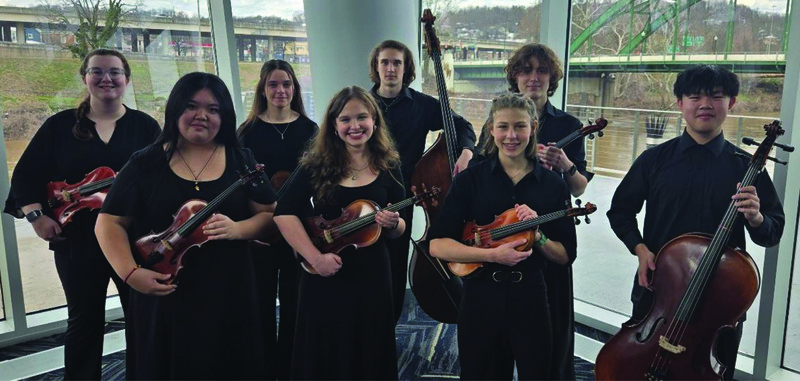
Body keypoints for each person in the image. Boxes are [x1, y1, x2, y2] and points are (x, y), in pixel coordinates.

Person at [606, 64, 785, 380]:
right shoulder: (653, 160)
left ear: (731, 103)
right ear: (680, 104)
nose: (705, 104)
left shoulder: (747, 167)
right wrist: (641, 250)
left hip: (719, 306)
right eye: (694, 96)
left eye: (717, 96)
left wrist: (756, 217)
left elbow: (772, 233)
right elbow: (619, 211)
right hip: (658, 294)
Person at [95, 72, 277, 379]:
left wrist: (238, 230)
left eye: (214, 109)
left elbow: (269, 215)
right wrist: (130, 273)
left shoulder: (241, 160)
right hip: (166, 293)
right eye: (192, 106)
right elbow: (109, 223)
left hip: (229, 292)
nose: (202, 115)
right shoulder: (146, 162)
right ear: (176, 110)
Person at [3, 49, 160, 380]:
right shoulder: (60, 126)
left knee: (141, 316)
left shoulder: (144, 126)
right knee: (85, 320)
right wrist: (36, 217)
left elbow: (163, 177)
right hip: (76, 241)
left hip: (131, 241)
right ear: (85, 77)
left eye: (115, 72)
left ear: (127, 79)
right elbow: (26, 175)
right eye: (97, 71)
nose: (107, 78)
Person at [429, 93, 577, 380]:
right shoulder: (469, 180)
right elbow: (438, 245)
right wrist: (491, 255)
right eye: (503, 127)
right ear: (491, 129)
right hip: (480, 295)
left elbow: (565, 256)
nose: (511, 135)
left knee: (537, 374)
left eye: (520, 126)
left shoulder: (552, 186)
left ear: (533, 128)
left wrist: (539, 235)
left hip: (531, 296)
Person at [274, 86, 404, 379]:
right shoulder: (316, 163)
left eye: (362, 118)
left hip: (371, 274)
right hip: (325, 271)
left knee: (370, 346)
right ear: (334, 125)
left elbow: (400, 226)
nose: (354, 126)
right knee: (326, 349)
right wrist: (315, 259)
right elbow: (283, 212)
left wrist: (393, 223)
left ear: (375, 121)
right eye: (345, 119)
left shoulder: (389, 163)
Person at [475, 43, 588, 379]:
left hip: (549, 230)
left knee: (551, 324)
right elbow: (483, 169)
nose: (534, 77)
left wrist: (565, 165)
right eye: (526, 70)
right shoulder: (498, 117)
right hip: (504, 229)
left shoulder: (568, 123)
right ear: (515, 76)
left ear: (552, 77)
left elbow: (579, 187)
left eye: (542, 71)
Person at [368, 40, 476, 322]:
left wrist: (465, 154)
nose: (391, 69)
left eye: (397, 63)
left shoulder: (422, 105)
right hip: (363, 192)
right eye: (385, 62)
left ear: (407, 69)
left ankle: (388, 331)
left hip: (401, 196)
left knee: (392, 265)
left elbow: (462, 125)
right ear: (376, 67)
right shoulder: (364, 104)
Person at [237, 59, 318, 380]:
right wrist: (250, 224)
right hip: (262, 232)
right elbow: (239, 184)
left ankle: (290, 365)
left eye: (286, 84)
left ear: (294, 89)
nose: (280, 90)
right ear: (263, 89)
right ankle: (263, 366)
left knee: (296, 300)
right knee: (259, 301)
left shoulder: (310, 130)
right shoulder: (247, 132)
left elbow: (319, 181)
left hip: (299, 227)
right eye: (273, 84)